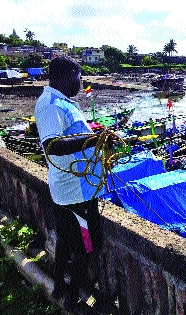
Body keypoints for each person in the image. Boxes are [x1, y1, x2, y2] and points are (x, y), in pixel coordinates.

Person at [34, 55, 105, 309]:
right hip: (76, 192)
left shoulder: (59, 102)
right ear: (66, 76)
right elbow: (52, 146)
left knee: (66, 240)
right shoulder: (50, 105)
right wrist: (94, 141)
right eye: (79, 77)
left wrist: (90, 138)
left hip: (73, 189)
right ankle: (72, 296)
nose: (80, 82)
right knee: (86, 247)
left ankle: (59, 286)